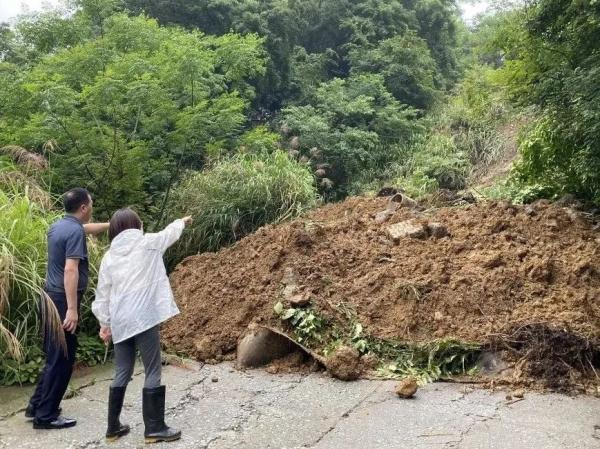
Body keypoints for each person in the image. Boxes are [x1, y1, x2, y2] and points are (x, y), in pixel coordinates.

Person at [91, 208, 192, 443]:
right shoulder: (148, 243)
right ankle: (154, 428)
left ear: (114, 230)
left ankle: (113, 427)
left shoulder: (109, 257)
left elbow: (103, 293)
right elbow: (170, 233)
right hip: (144, 318)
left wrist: (104, 323)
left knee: (122, 371)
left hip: (120, 321)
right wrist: (182, 221)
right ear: (137, 225)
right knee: (153, 369)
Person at [26, 188, 110, 429]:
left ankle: (36, 406)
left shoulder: (60, 226)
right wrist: (72, 309)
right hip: (63, 302)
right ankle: (46, 416)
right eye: (91, 205)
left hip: (49, 298)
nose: (92, 208)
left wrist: (111, 224)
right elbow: (70, 270)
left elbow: (85, 230)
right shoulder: (74, 231)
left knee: (55, 356)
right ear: (83, 208)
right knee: (63, 359)